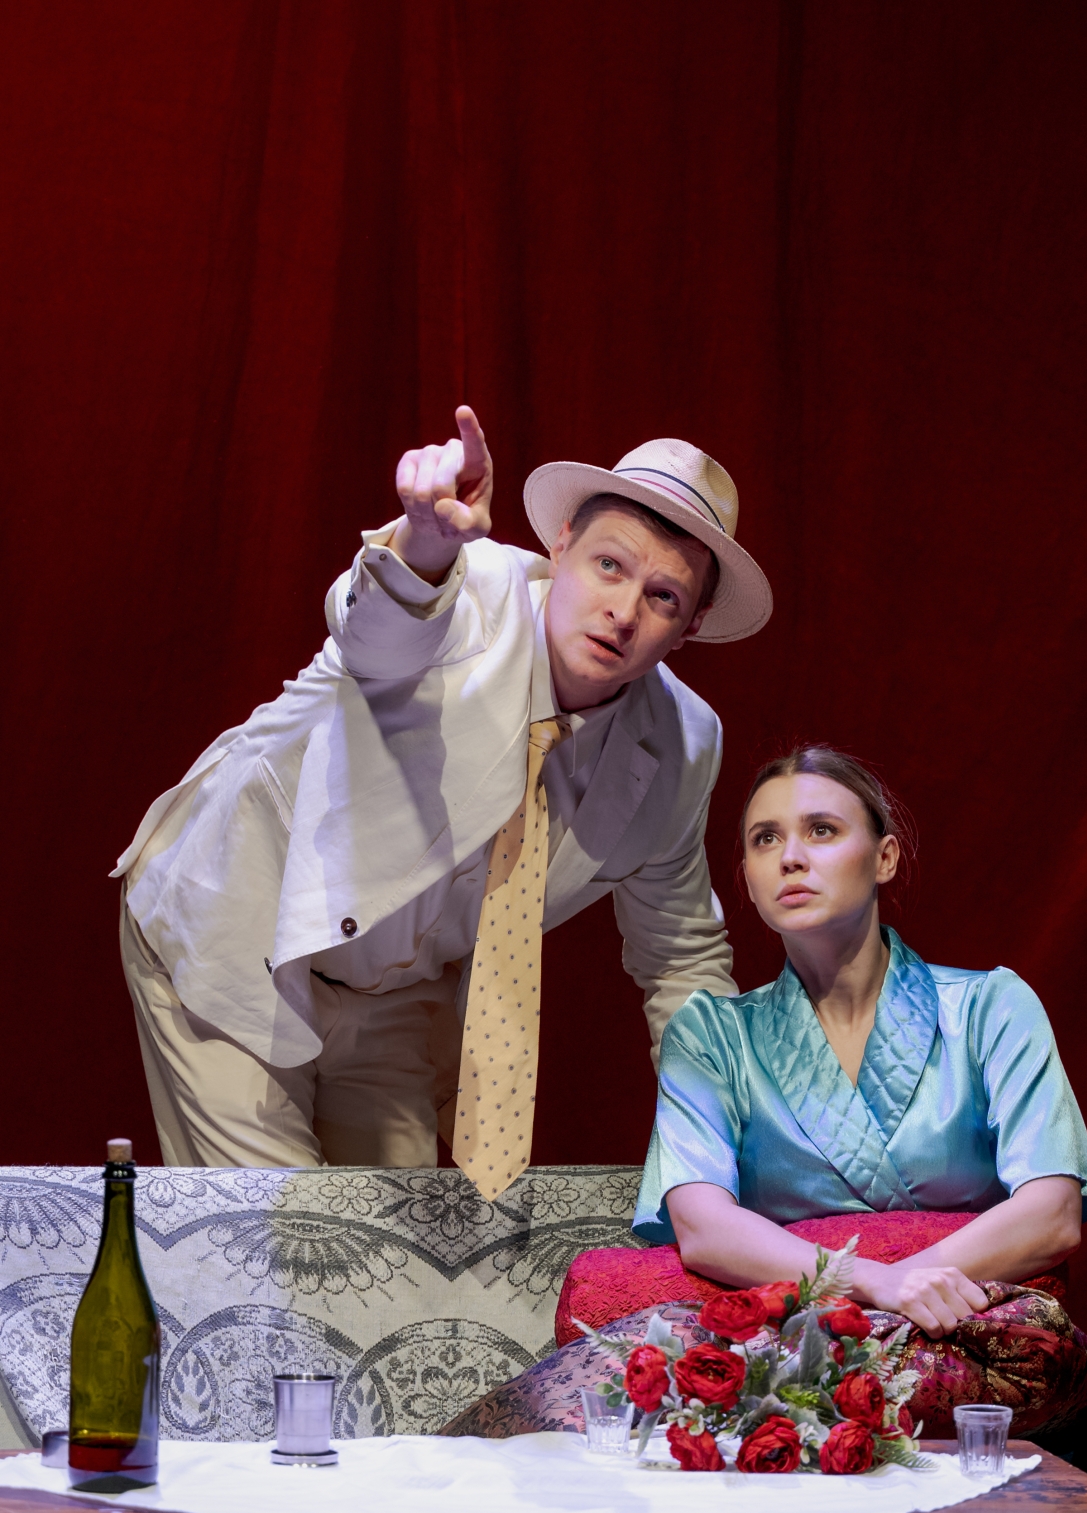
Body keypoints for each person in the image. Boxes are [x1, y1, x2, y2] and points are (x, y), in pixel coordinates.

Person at [632, 744, 1087, 1513]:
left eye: (821, 831)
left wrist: (917, 1287)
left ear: (884, 856)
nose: (790, 856)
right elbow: (701, 1223)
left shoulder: (987, 1006)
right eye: (764, 840)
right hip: (816, 1364)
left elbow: (1050, 1209)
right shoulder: (714, 1035)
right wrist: (874, 1284)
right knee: (815, 1495)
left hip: (966, 1365)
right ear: (744, 877)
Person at [115, 408, 772, 1190]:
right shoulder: (469, 591)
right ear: (561, 546)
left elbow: (680, 957)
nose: (623, 613)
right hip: (239, 925)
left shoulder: (682, 744)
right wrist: (423, 545)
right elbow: (375, 629)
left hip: (397, 995)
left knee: (388, 1253)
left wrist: (726, 1129)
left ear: (692, 625)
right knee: (279, 1240)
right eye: (609, 565)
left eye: (663, 597)